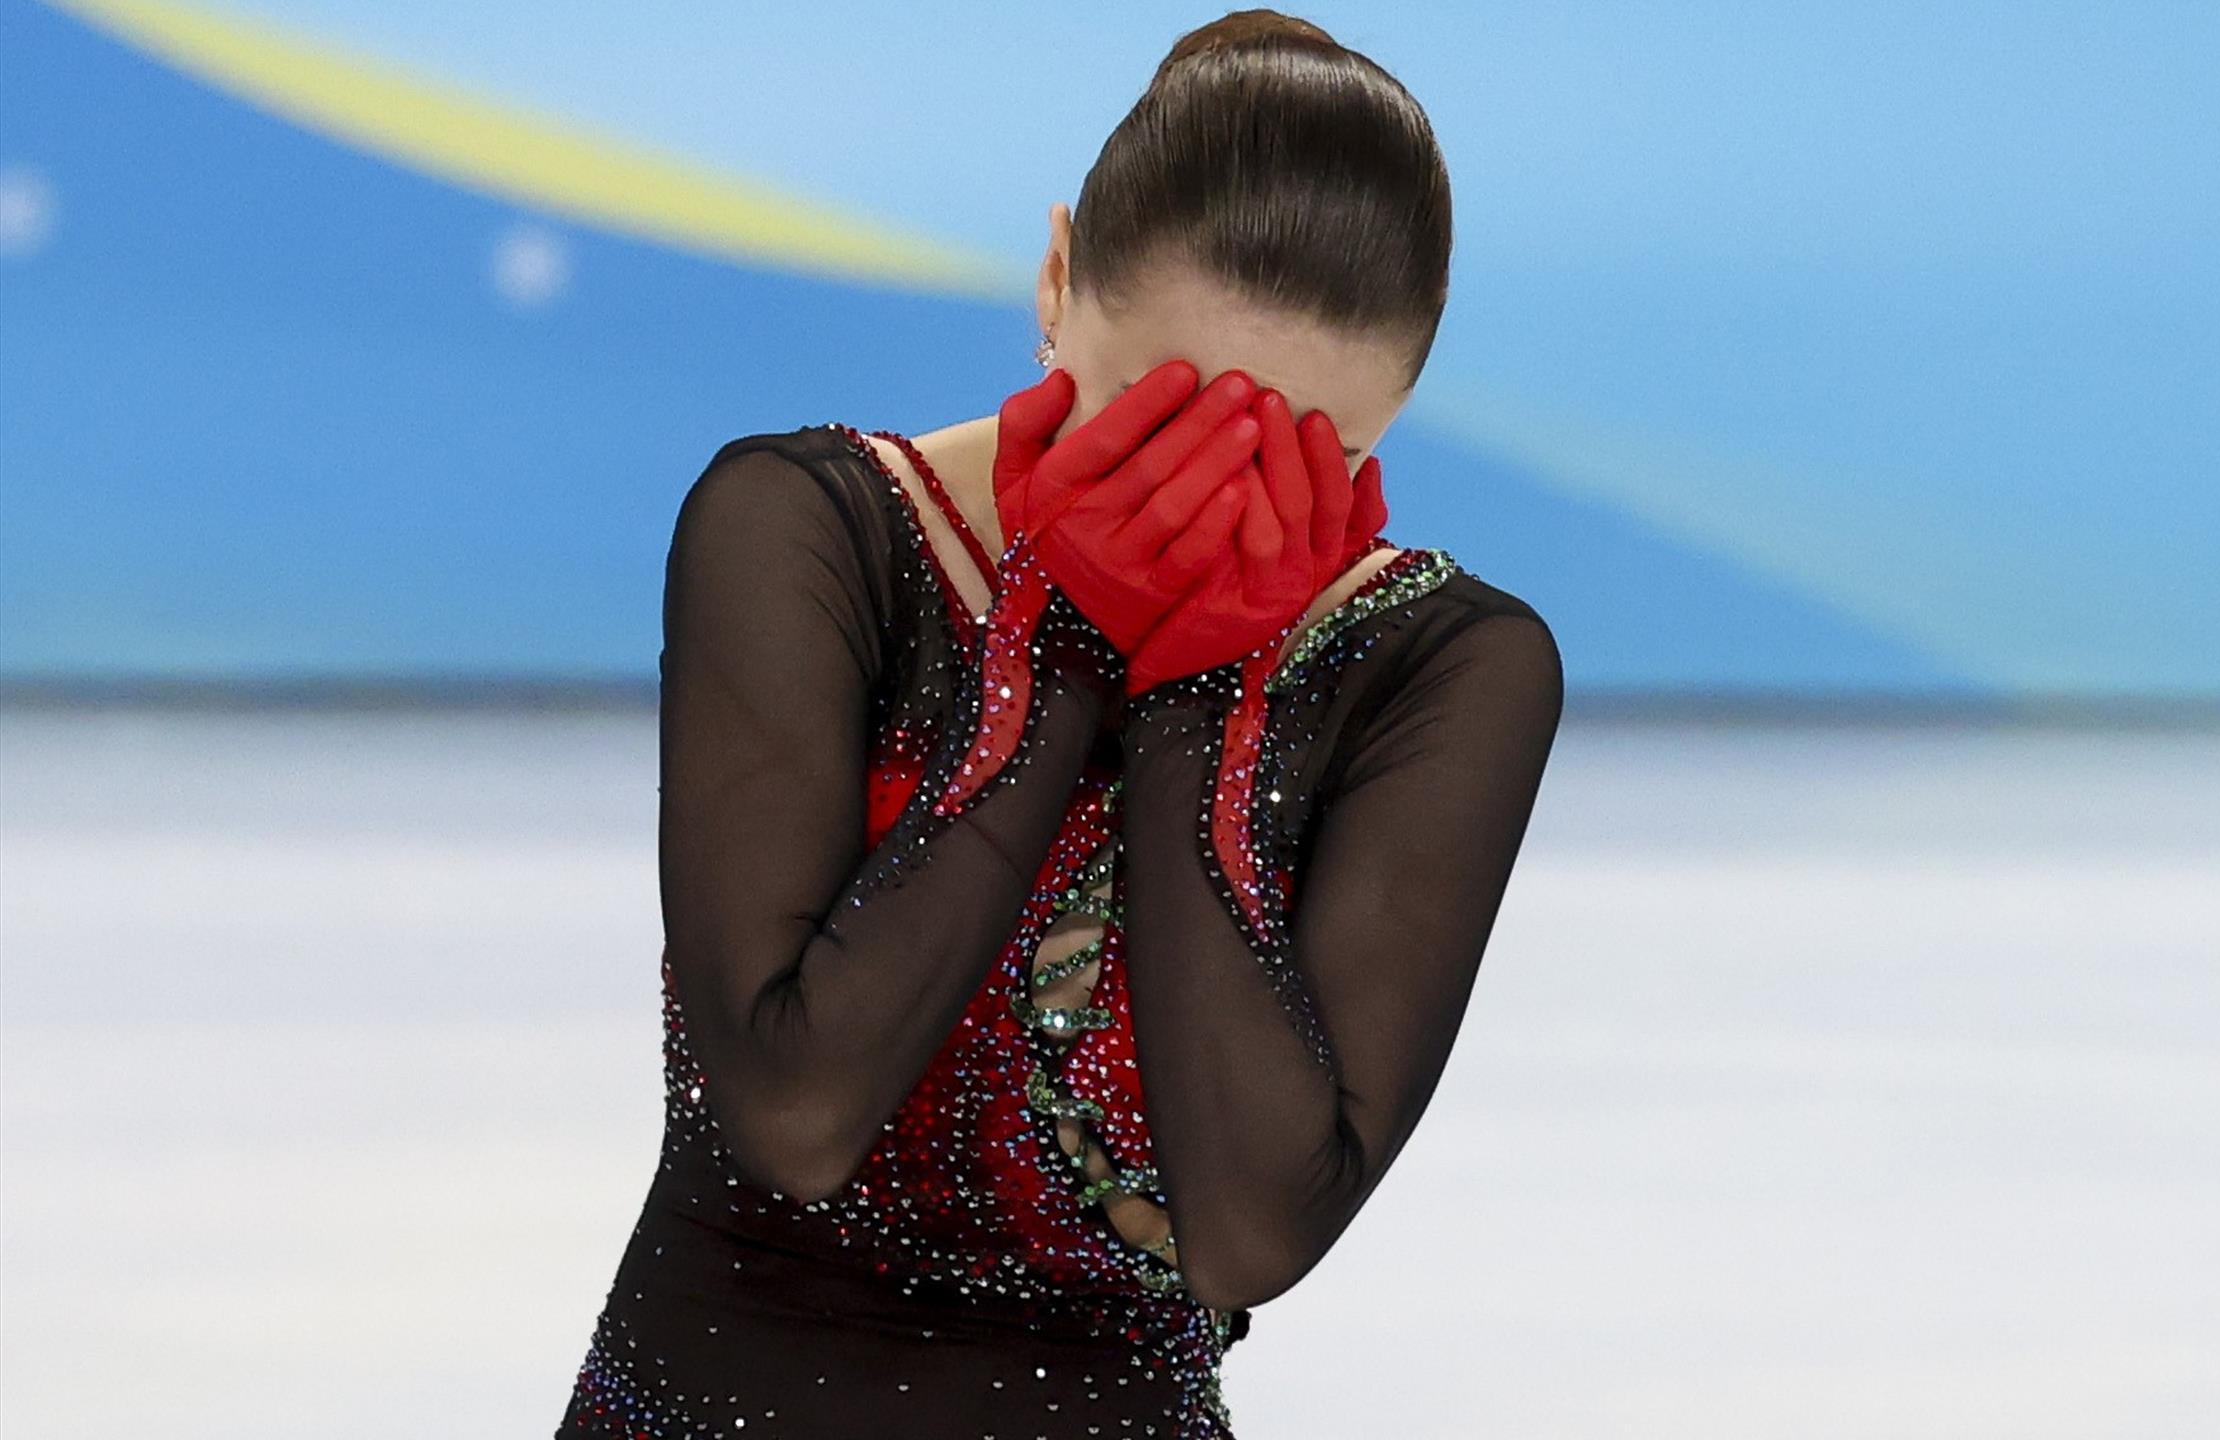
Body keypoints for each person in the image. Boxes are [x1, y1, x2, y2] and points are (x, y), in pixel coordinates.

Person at [556, 11, 1564, 1438]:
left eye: (1295, 458)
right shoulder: (807, 533)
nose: (1208, 502)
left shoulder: (1440, 667)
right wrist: (1065, 647)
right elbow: (792, 1112)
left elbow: (1253, 1231)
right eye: (1155, 428)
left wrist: (1200, 698)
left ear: (1396, 414)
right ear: (1053, 279)